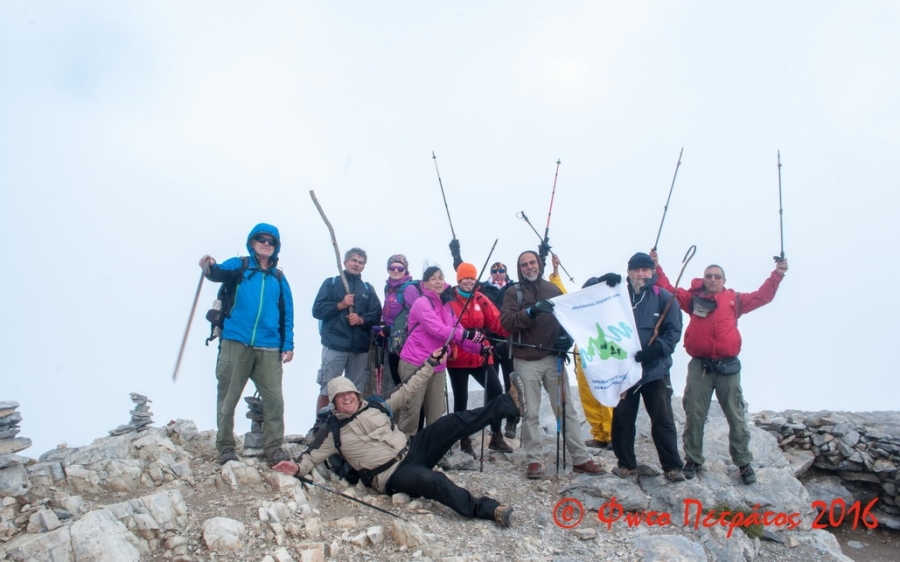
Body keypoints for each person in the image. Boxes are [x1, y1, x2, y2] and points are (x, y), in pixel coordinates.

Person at [272, 348, 525, 527]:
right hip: (390, 475)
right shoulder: (331, 431)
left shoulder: (374, 404)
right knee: (431, 480)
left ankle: (508, 405)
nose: (346, 397)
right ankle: (488, 509)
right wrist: (294, 467)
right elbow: (310, 457)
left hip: (413, 448)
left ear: (356, 392)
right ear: (334, 402)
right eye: (340, 396)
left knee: (451, 422)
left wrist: (429, 363)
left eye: (349, 392)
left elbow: (408, 389)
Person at [653, 250, 790, 484]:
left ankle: (744, 462)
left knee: (735, 416)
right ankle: (693, 459)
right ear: (704, 279)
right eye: (709, 276)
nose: (713, 279)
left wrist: (777, 275)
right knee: (695, 414)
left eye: (717, 276)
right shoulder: (693, 300)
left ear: (724, 281)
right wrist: (656, 267)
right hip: (700, 367)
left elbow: (762, 296)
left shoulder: (734, 300)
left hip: (728, 368)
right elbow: (670, 290)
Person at [499, 250, 605, 479]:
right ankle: (534, 461)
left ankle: (580, 458)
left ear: (539, 264)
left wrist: (566, 338)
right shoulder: (512, 293)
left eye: (532, 262)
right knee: (530, 413)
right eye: (524, 264)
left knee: (566, 410)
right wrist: (530, 311)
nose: (529, 267)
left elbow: (568, 319)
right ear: (519, 269)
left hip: (553, 359)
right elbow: (507, 322)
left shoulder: (553, 290)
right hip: (525, 361)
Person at [199, 223, 294, 466]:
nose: (266, 243)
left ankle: (273, 447)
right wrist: (208, 265)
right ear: (251, 243)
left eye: (271, 241)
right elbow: (217, 272)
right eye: (261, 239)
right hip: (235, 340)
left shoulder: (280, 279)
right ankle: (226, 447)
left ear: (276, 248)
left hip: (269, 346)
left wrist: (288, 343)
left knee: (274, 400)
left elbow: (287, 314)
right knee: (228, 397)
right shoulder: (239, 265)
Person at [596, 253, 686, 482]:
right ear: (629, 272)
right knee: (623, 418)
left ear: (653, 271)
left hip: (656, 370)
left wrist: (655, 351)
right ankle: (626, 464)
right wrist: (601, 281)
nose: (641, 274)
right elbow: (587, 300)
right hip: (624, 370)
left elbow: (673, 331)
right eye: (636, 270)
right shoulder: (617, 295)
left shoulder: (665, 298)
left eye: (645, 270)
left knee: (662, 418)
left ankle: (672, 466)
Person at [397, 266, 483, 435]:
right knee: (411, 412)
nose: (438, 281)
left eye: (441, 277)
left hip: (437, 365)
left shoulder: (446, 306)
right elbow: (437, 329)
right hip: (415, 363)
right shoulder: (422, 303)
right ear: (425, 284)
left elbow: (456, 333)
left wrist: (481, 348)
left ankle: (434, 453)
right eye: (433, 278)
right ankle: (405, 454)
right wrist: (467, 333)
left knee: (436, 413)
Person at [546, 254, 614, 450]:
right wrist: (556, 273)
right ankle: (599, 434)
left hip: (602, 355)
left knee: (604, 394)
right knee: (587, 395)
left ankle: (611, 434)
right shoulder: (579, 307)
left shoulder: (606, 308)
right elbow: (562, 296)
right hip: (582, 355)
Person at [445, 262, 513, 455]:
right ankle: (463, 439)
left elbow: (497, 321)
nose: (468, 281)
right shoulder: (449, 301)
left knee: (496, 390)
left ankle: (496, 436)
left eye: (471, 278)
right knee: (461, 398)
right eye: (465, 278)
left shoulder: (480, 299)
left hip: (480, 355)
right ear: (459, 279)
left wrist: (512, 333)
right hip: (457, 357)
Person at [312, 248, 383, 415]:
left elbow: (376, 314)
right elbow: (317, 310)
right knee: (328, 388)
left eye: (360, 262)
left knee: (355, 390)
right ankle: (320, 426)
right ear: (345, 262)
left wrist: (361, 320)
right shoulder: (331, 283)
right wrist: (341, 305)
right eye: (353, 260)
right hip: (335, 345)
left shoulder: (368, 289)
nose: (356, 264)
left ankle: (349, 427)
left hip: (360, 348)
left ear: (364, 266)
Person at [378, 254, 423, 386]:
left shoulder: (409, 289)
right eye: (392, 267)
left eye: (400, 268)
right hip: (392, 343)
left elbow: (418, 319)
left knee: (407, 384)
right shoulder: (389, 289)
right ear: (388, 269)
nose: (396, 270)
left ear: (406, 269)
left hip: (407, 345)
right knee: (398, 383)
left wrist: (390, 330)